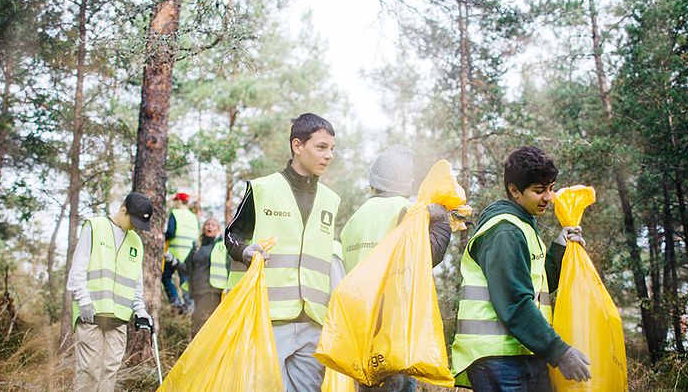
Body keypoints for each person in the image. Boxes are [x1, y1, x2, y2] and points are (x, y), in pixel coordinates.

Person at [451, 146, 591, 391]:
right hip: (498, 358)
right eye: (539, 190)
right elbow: (515, 301)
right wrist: (560, 352)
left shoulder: (523, 226)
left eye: (550, 188)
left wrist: (559, 248)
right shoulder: (505, 231)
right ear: (514, 190)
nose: (549, 197)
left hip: (521, 351)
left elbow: (535, 287)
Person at [225, 113, 340, 391]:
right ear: (297, 146)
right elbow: (231, 236)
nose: (329, 156)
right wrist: (246, 252)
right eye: (321, 147)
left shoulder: (331, 200)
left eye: (331, 149)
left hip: (313, 320)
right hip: (268, 319)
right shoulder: (262, 189)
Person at [339, 144, 452, 392]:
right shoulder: (408, 210)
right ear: (406, 182)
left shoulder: (356, 218)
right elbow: (424, 258)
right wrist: (442, 225)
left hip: (362, 328)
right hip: (395, 328)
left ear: (374, 180)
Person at [66, 192, 154, 392]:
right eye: (134, 221)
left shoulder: (136, 242)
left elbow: (136, 282)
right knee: (89, 371)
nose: (136, 227)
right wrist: (84, 300)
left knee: (110, 371)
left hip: (119, 319)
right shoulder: (95, 226)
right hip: (91, 313)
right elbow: (77, 269)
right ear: (123, 210)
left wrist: (140, 310)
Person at [165, 216, 228, 338]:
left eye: (213, 224)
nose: (210, 226)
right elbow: (186, 268)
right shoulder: (197, 247)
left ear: (218, 229)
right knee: (198, 326)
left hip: (211, 292)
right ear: (203, 228)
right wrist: (172, 260)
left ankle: (199, 354)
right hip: (196, 293)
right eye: (207, 224)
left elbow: (229, 266)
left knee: (198, 327)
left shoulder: (221, 247)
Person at [163, 192, 199, 311]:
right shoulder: (193, 217)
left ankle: (176, 301)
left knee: (166, 277)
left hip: (175, 251)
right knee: (185, 280)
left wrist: (163, 236)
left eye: (175, 201)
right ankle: (189, 305)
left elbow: (171, 232)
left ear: (179, 201)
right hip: (189, 254)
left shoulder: (175, 213)